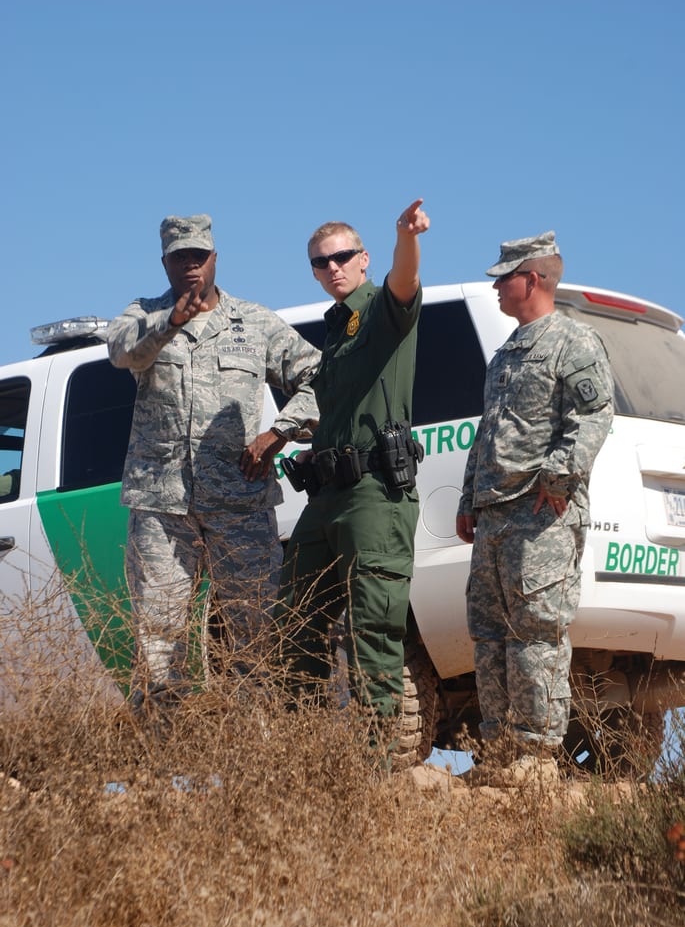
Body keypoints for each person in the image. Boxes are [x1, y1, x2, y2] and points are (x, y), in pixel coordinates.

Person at [108, 214, 320, 714]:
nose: (190, 266)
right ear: (164, 262)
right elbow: (121, 352)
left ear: (215, 259)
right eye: (179, 257)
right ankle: (168, 768)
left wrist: (279, 432)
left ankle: (255, 760)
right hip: (162, 507)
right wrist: (170, 322)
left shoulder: (255, 322)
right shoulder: (142, 316)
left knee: (255, 632)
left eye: (198, 256)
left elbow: (321, 377)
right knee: (159, 639)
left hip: (240, 503)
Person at [456, 230, 614, 781]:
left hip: (540, 512)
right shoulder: (506, 353)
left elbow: (594, 415)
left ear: (533, 279)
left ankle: (536, 757)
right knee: (491, 634)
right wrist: (468, 496)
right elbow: (489, 431)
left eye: (505, 277)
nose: (497, 286)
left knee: (537, 631)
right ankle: (499, 754)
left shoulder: (573, 341)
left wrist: (560, 476)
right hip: (496, 514)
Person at [276, 199, 430, 738]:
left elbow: (405, 283)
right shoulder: (334, 330)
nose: (332, 268)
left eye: (342, 256)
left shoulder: (382, 311)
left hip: (373, 494)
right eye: (321, 262)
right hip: (327, 499)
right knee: (291, 623)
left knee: (372, 628)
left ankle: (378, 764)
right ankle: (312, 753)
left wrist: (406, 238)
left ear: (363, 259)